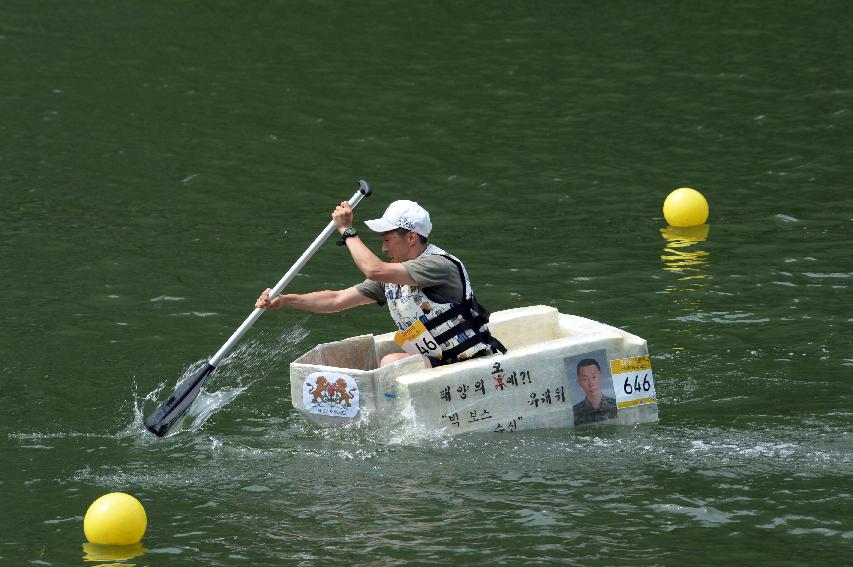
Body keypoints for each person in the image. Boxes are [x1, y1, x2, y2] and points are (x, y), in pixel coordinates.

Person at [256, 199, 505, 368]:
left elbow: (373, 269)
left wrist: (347, 231)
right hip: (438, 361)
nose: (384, 248)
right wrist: (286, 300)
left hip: (470, 363)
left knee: (390, 363)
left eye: (388, 240)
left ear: (411, 237)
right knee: (387, 362)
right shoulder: (393, 279)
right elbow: (336, 300)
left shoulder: (438, 266)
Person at [572, 358, 617, 426]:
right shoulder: (573, 413)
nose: (591, 384)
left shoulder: (616, 406)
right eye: (585, 379)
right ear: (579, 382)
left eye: (594, 377)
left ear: (601, 377)